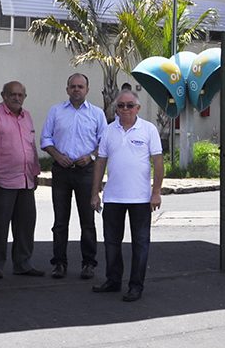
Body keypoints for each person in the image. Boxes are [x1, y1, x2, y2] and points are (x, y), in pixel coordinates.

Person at [90, 90, 163, 302]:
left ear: (138, 108)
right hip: (113, 198)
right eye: (121, 105)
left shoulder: (148, 129)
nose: (125, 109)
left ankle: (135, 286)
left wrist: (156, 192)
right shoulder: (109, 131)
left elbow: (158, 162)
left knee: (140, 244)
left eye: (130, 105)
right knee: (112, 242)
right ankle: (113, 281)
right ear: (116, 109)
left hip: (140, 198)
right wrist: (95, 193)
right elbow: (100, 163)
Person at [40, 73, 106, 279]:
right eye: (73, 86)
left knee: (87, 221)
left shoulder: (97, 113)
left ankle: (89, 263)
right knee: (60, 220)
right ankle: (59, 263)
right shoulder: (56, 111)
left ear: (87, 90)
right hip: (61, 171)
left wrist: (90, 157)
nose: (76, 89)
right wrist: (58, 156)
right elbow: (45, 138)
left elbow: (104, 143)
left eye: (80, 86)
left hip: (86, 172)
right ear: (67, 89)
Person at [0, 81, 43, 278]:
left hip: (25, 180)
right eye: (12, 94)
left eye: (20, 95)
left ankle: (23, 263)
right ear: (3, 95)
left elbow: (31, 147)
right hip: (1, 181)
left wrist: (35, 171)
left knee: (26, 224)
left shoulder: (27, 117)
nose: (16, 98)